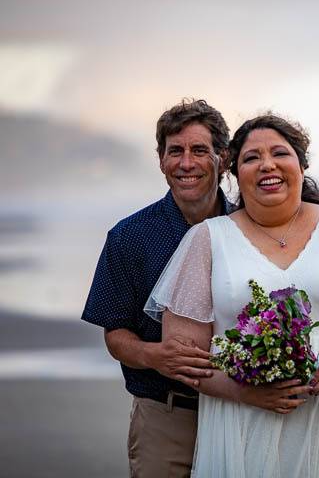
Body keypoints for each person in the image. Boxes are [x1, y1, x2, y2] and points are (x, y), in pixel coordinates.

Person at [144, 113, 319, 477]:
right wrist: (244, 392)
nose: (267, 164)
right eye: (251, 158)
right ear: (235, 174)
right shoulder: (207, 240)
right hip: (243, 425)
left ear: (301, 165)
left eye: (279, 153)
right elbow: (184, 357)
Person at [82, 99, 238, 476]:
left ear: (224, 159)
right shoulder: (129, 237)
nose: (186, 163)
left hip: (242, 414)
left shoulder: (249, 230)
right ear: (161, 160)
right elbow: (115, 333)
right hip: (165, 416)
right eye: (175, 152)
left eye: (200, 150)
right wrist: (156, 356)